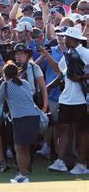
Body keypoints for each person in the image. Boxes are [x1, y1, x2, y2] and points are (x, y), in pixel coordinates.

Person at [41, 27, 89, 175]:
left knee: (82, 132)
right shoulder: (67, 53)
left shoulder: (85, 53)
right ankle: (61, 161)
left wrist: (81, 78)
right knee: (63, 130)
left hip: (82, 99)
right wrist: (47, 88)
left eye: (66, 37)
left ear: (73, 39)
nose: (64, 40)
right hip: (66, 99)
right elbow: (60, 72)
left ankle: (81, 164)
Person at [0, 62, 41, 183]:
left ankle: (22, 175)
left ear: (4, 74)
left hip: (21, 119)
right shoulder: (25, 83)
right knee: (25, 148)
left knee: (19, 148)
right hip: (33, 118)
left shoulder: (5, 85)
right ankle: (24, 174)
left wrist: (0, 116)